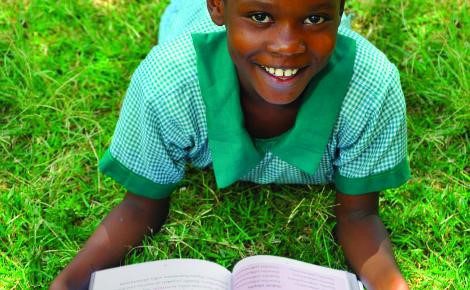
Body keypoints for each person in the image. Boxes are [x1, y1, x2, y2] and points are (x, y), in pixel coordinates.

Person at [50, 0, 411, 289]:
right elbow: (142, 205)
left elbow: (360, 214)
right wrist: (69, 282)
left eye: (316, 18)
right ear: (218, 7)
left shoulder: (369, 89)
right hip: (187, 17)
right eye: (260, 16)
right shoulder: (169, 84)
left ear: (342, 8)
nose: (287, 45)